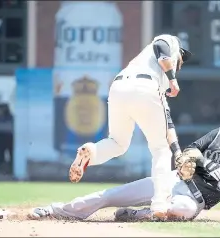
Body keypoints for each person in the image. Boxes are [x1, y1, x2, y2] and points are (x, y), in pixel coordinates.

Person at [28, 118, 220, 223]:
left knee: (182, 210)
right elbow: (193, 148)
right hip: (170, 180)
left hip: (193, 200)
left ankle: (136, 215)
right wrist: (187, 158)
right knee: (111, 195)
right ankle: (54, 209)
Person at [67, 34, 192, 219]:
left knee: (117, 143)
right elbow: (160, 46)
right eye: (182, 58)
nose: (181, 62)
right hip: (144, 86)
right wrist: (173, 79)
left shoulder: (155, 74)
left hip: (119, 86)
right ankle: (160, 205)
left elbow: (168, 125)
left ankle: (90, 152)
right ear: (179, 54)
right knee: (159, 150)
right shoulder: (170, 44)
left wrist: (178, 152)